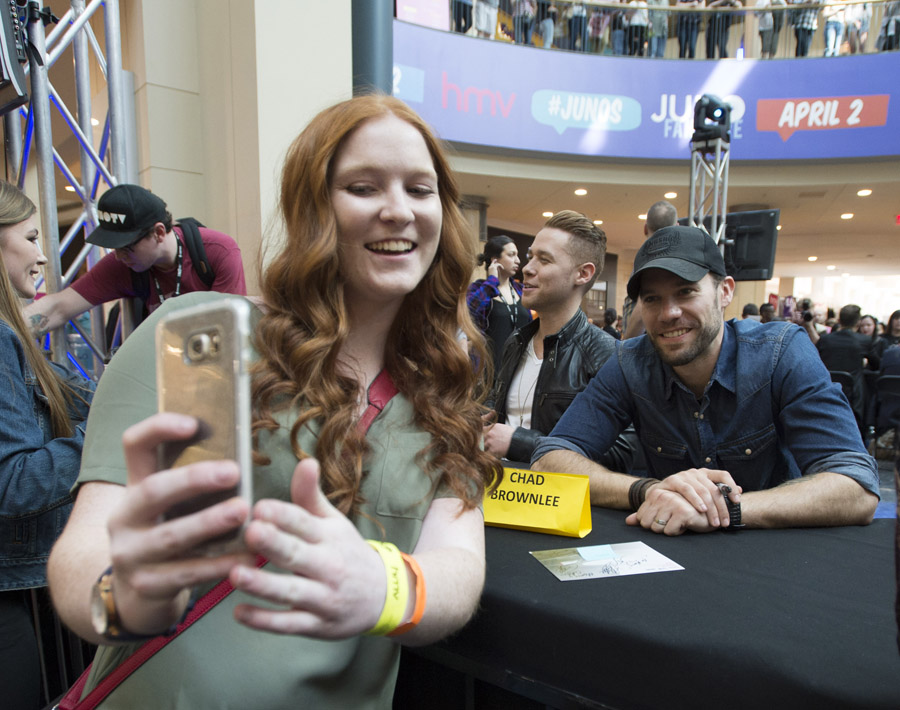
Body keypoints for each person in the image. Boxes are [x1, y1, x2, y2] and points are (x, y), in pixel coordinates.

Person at [47, 95, 502, 707]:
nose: (398, 210)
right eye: (363, 187)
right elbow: (87, 557)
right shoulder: (207, 339)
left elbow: (457, 566)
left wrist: (384, 585)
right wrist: (126, 598)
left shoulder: (444, 397)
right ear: (313, 206)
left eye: (420, 190)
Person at [532, 225, 879, 536]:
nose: (669, 313)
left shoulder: (781, 353)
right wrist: (648, 490)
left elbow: (856, 487)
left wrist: (725, 510)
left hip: (775, 561)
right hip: (671, 561)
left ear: (724, 291)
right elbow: (550, 459)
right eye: (652, 298)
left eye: (685, 292)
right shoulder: (629, 363)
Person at [0, 181, 94, 709]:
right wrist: (109, 435)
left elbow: (79, 395)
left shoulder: (16, 338)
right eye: (33, 237)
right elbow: (14, 483)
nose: (42, 254)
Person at [483, 211, 632, 470]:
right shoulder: (516, 341)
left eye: (544, 260)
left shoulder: (606, 355)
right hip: (502, 495)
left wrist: (521, 443)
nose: (527, 269)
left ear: (583, 274)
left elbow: (623, 452)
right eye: (530, 257)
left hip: (559, 504)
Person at [24, 184, 246, 340]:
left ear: (159, 233)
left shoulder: (218, 251)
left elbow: (227, 331)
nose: (119, 256)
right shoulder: (124, 264)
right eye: (114, 248)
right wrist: (8, 332)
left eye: (127, 247)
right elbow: (59, 307)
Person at [467, 235, 532, 378]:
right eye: (511, 255)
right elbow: (469, 313)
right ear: (495, 260)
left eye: (517, 255)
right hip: (488, 373)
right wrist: (492, 281)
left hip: (518, 371)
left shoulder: (521, 290)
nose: (518, 260)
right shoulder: (480, 288)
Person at [621, 200, 677, 340]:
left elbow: (641, 311)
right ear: (677, 227)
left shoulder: (652, 258)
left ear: (645, 228)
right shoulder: (680, 258)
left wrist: (623, 352)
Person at [815, 304, 871, 430]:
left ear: (839, 320)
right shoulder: (864, 341)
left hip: (826, 391)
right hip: (854, 397)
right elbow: (876, 363)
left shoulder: (825, 339)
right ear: (858, 322)